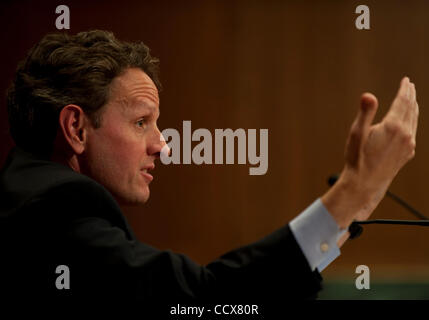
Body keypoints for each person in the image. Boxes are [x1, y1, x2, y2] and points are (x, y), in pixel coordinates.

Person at [0, 30, 418, 305]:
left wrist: (344, 218)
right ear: (75, 127)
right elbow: (202, 303)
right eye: (141, 121)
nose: (162, 145)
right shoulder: (58, 206)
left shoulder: (28, 193)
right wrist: (350, 194)